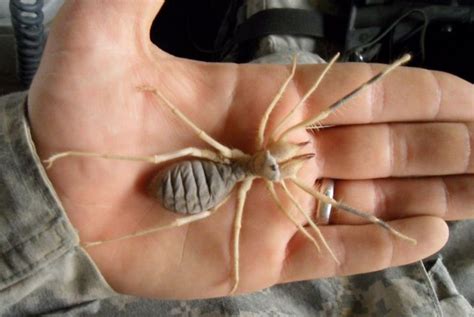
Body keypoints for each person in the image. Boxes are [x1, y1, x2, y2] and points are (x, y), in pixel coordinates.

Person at [1, 1, 472, 315]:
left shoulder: (245, 169)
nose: (274, 166)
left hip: (205, 182)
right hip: (204, 182)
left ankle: (290, 40)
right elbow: (273, 120)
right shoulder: (246, 168)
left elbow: (265, 129)